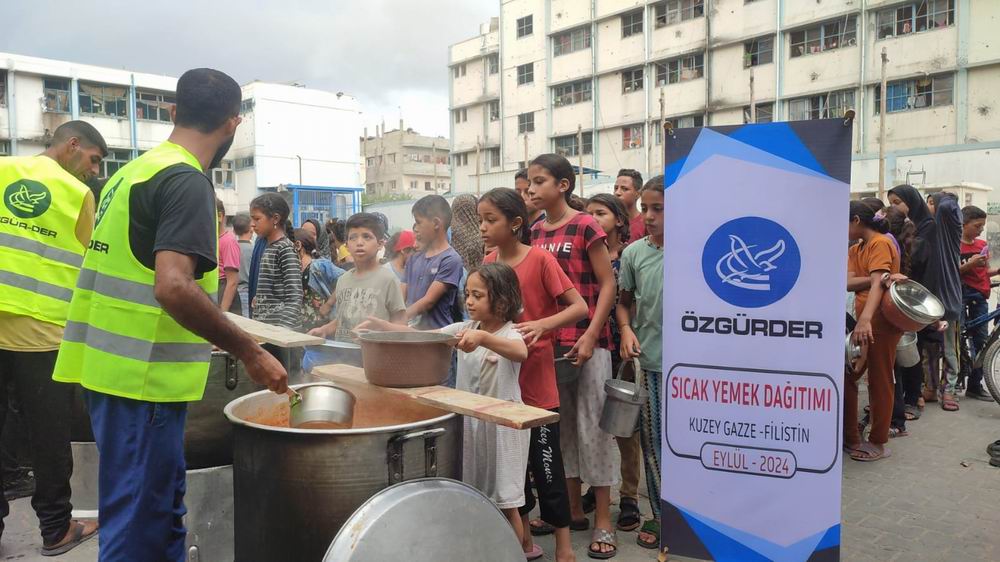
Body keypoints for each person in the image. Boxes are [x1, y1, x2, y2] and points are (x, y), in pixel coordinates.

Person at [51, 68, 288, 561]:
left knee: (158, 516)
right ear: (233, 125)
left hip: (113, 375)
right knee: (137, 528)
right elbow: (173, 285)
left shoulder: (131, 173)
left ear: (174, 112)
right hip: (142, 381)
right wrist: (250, 351)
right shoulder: (185, 181)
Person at [359, 263, 531, 547]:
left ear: (501, 300)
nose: (470, 301)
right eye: (468, 294)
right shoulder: (464, 328)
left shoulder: (509, 333)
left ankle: (513, 553)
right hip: (471, 426)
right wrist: (382, 326)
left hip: (503, 431)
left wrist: (484, 338)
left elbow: (521, 352)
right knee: (476, 496)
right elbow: (422, 336)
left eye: (478, 295)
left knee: (505, 503)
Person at [0, 120, 107, 556]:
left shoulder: (3, 168)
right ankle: (56, 529)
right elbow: (90, 265)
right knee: (49, 434)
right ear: (73, 145)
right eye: (94, 160)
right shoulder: (76, 194)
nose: (95, 172)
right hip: (41, 330)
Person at [479, 187, 588, 562]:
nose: (482, 227)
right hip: (500, 380)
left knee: (546, 465)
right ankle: (523, 542)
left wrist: (542, 325)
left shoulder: (540, 260)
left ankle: (563, 545)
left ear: (516, 223)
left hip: (536, 379)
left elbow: (578, 307)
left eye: (490, 220)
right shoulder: (488, 260)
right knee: (511, 466)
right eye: (480, 219)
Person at [527, 154, 619, 559]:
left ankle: (603, 519)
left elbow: (607, 284)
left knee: (594, 429)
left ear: (563, 185)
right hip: (550, 346)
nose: (531, 188)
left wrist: (593, 334)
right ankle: (571, 511)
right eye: (529, 181)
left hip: (589, 343)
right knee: (559, 430)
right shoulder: (534, 231)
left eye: (540, 180)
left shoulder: (585, 225)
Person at [585, 193, 642, 534]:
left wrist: (626, 332)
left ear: (619, 220)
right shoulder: (587, 254)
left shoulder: (630, 258)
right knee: (593, 423)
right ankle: (596, 486)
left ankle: (630, 494)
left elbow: (631, 303)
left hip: (623, 348)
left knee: (625, 427)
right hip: (592, 348)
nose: (592, 218)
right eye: (588, 213)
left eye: (600, 213)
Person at [616, 175, 665, 549]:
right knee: (653, 444)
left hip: (697, 367)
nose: (648, 216)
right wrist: (626, 329)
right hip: (651, 362)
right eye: (645, 209)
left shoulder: (700, 250)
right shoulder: (634, 254)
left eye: (658, 209)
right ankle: (661, 516)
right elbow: (624, 301)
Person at [888, 186, 963, 411]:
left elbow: (920, 261)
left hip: (936, 295)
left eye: (897, 202)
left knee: (943, 347)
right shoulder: (913, 226)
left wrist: (946, 196)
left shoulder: (934, 227)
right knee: (923, 347)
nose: (894, 207)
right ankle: (927, 390)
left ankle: (945, 391)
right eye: (890, 202)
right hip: (922, 295)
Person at [845, 201, 904, 462]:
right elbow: (849, 283)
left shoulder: (880, 243)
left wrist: (865, 319)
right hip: (864, 320)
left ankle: (878, 441)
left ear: (856, 220)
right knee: (850, 373)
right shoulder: (857, 248)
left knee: (880, 380)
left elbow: (879, 286)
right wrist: (873, 277)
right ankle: (851, 436)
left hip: (878, 320)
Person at [307, 213, 405, 369]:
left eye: (367, 237)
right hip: (343, 359)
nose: (359, 243)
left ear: (380, 244)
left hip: (376, 360)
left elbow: (400, 325)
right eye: (353, 238)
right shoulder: (343, 280)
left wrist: (381, 329)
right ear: (346, 245)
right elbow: (343, 318)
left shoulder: (388, 280)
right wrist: (324, 329)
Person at [403, 195, 464, 386]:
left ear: (436, 223)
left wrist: (398, 318)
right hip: (412, 339)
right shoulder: (414, 258)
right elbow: (401, 293)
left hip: (437, 343)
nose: (416, 229)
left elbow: (429, 301)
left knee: (439, 393)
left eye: (419, 222)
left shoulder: (450, 259)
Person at [958, 205, 998, 401]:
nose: (980, 229)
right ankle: (953, 381)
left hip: (980, 295)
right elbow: (953, 273)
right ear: (963, 224)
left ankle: (975, 385)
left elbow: (985, 272)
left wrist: (996, 272)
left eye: (982, 226)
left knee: (981, 339)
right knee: (957, 337)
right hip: (961, 294)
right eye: (977, 225)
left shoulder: (982, 244)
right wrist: (970, 264)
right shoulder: (955, 245)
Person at [249, 193, 302, 331]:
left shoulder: (285, 249)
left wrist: (283, 330)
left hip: (280, 334)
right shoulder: (268, 246)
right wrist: (260, 299)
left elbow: (295, 296)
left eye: (257, 219)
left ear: (275, 219)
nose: (252, 224)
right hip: (266, 330)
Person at [293, 228, 344, 332]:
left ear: (298, 246)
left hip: (324, 326)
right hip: (303, 327)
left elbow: (345, 279)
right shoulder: (293, 270)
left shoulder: (318, 266)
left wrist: (328, 304)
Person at [216, 198, 242, 315]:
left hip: (224, 292)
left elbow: (232, 282)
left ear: (219, 216)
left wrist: (222, 313)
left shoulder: (228, 241)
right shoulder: (211, 240)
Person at [612, 169, 644, 245]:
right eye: (616, 188)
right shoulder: (609, 221)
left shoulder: (646, 223)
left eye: (625, 189)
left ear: (638, 193)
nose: (617, 193)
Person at [233, 213, 254, 317]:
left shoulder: (232, 247)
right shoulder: (253, 249)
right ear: (251, 229)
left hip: (233, 291)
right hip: (247, 291)